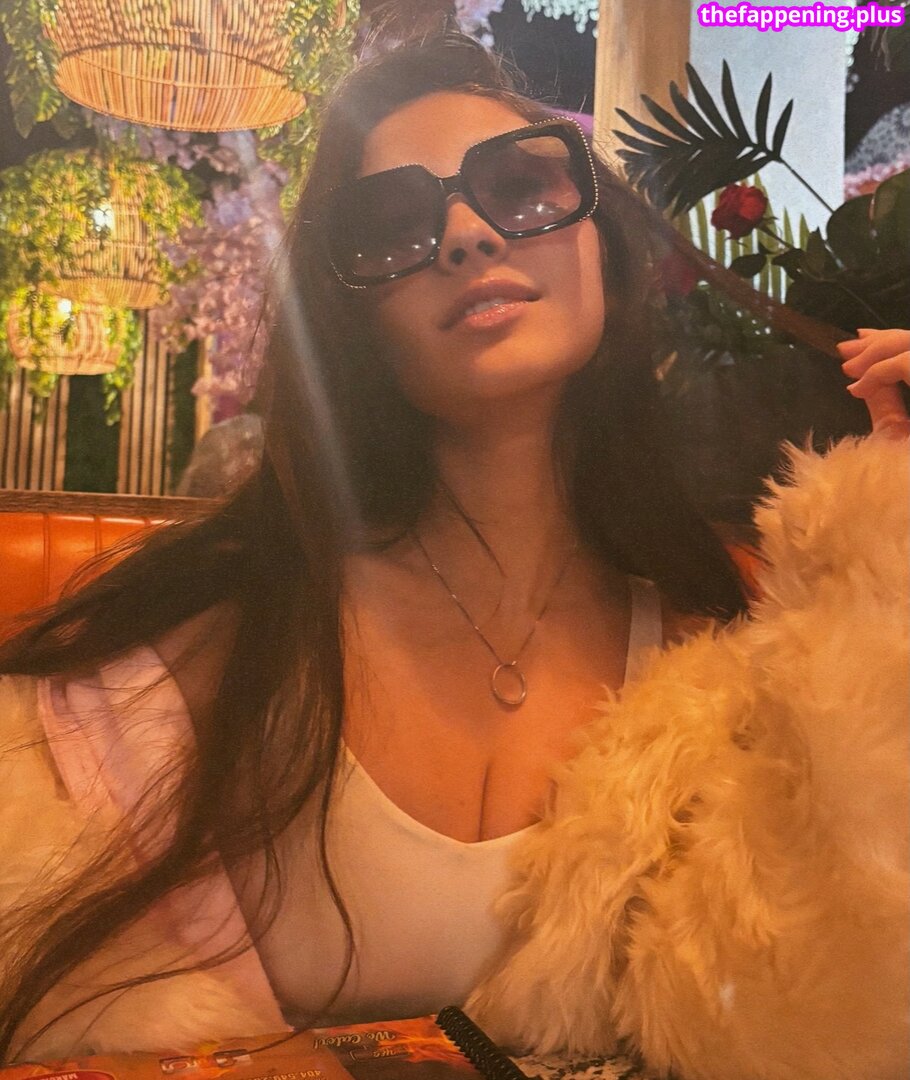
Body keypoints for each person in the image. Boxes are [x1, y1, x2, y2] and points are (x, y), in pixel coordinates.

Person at [0, 30, 907, 1080]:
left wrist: (887, 534)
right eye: (394, 224)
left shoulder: (712, 658)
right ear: (351, 319)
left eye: (521, 187)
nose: (468, 235)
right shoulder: (214, 643)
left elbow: (834, 992)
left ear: (602, 248)